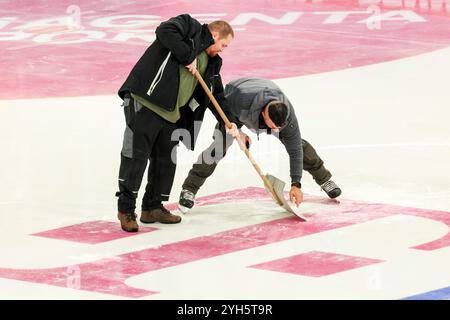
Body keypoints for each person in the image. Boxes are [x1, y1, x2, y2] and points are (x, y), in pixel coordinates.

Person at [115, 14, 238, 232]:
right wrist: (187, 55)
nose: (222, 50)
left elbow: (215, 95)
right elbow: (164, 30)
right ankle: (126, 209)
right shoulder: (189, 28)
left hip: (172, 115)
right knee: (136, 156)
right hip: (146, 102)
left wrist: (230, 122)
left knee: (165, 160)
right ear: (215, 34)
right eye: (223, 45)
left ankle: (152, 207)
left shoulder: (211, 63)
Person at [178, 77, 341, 213]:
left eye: (279, 127)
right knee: (218, 148)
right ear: (264, 114)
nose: (276, 130)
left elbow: (295, 151)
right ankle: (189, 189)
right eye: (273, 126)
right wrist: (237, 131)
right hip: (234, 106)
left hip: (262, 94)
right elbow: (220, 108)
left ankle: (325, 180)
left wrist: (296, 183)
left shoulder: (287, 116)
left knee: (299, 145)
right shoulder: (240, 100)